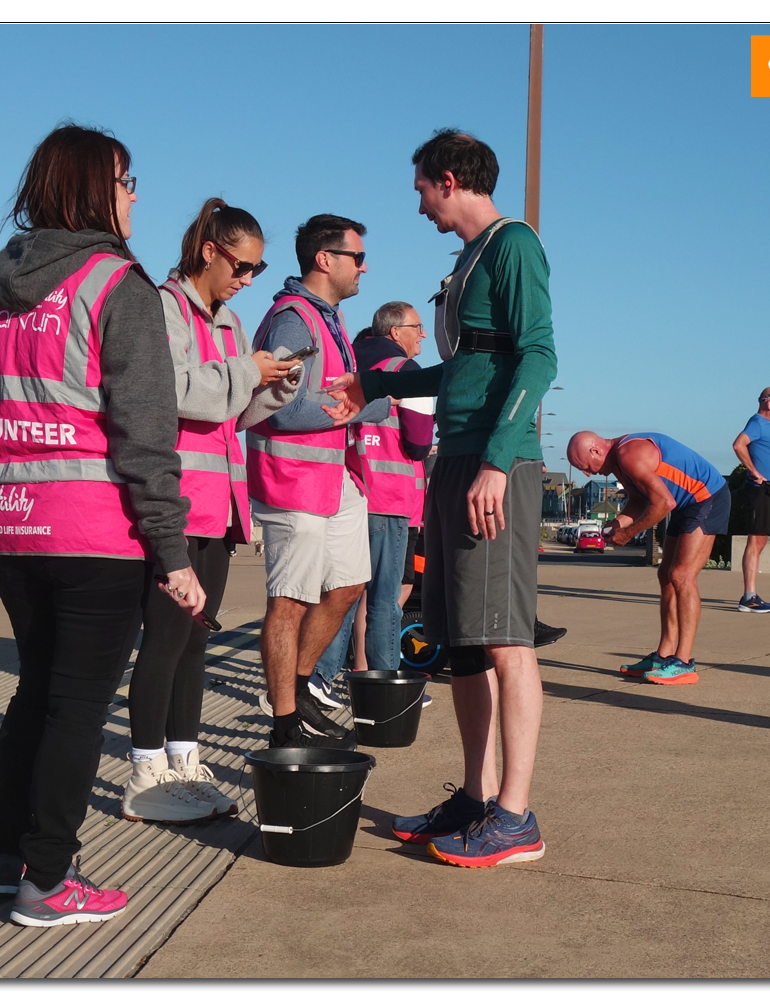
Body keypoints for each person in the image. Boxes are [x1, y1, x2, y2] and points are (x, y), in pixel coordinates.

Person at [0, 124, 204, 926]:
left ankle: (8, 861)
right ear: (88, 188)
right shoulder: (117, 285)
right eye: (126, 180)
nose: (135, 194)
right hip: (93, 532)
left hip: (9, 521)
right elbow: (146, 432)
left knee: (35, 694)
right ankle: (48, 877)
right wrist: (173, 552)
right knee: (77, 707)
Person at [326, 129, 555, 867]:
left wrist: (496, 460)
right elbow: (462, 372)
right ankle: (476, 797)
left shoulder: (513, 244)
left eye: (421, 187)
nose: (418, 203)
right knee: (462, 646)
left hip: (494, 465)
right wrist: (380, 383)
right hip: (454, 460)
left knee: (505, 638)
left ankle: (516, 817)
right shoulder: (467, 263)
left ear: (447, 179)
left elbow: (539, 354)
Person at [121, 199, 297, 824]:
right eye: (244, 265)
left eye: (258, 267)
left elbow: (228, 409)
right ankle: (144, 771)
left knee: (196, 641)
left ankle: (184, 758)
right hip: (176, 504)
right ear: (209, 252)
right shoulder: (163, 307)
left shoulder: (231, 323)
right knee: (164, 641)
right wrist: (246, 369)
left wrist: (271, 390)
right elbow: (176, 393)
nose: (249, 279)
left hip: (220, 505)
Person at [247, 215, 391, 749]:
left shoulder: (328, 319)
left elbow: (340, 398)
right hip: (293, 481)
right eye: (357, 257)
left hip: (331, 478)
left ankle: (300, 686)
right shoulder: (293, 321)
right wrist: (361, 406)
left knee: (351, 584)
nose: (364, 267)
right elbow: (280, 410)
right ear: (325, 260)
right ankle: (284, 723)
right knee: (289, 603)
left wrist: (357, 403)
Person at [307, 301, 434, 707]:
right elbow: (418, 441)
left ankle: (320, 677)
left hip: (347, 489)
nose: (424, 335)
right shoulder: (406, 373)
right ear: (395, 332)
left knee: (345, 590)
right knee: (384, 598)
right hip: (390, 498)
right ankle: (384, 686)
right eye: (418, 327)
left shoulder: (349, 362)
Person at [566, 430, 730, 685]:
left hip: (708, 497)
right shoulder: (619, 463)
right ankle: (663, 656)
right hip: (686, 503)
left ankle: (684, 663)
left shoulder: (629, 454)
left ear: (595, 451)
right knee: (665, 575)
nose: (587, 474)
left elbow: (663, 503)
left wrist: (629, 534)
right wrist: (617, 524)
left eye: (584, 466)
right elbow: (639, 501)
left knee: (682, 575)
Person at [732, 387, 770, 613]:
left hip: (768, 491)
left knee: (760, 541)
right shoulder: (757, 423)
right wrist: (754, 472)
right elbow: (738, 444)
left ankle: (752, 594)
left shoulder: (766, 426)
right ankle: (748, 598)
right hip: (759, 490)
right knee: (755, 542)